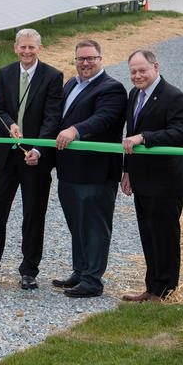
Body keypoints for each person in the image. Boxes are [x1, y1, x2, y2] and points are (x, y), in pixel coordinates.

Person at [0, 28, 63, 290]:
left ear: (39, 49)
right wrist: (9, 124)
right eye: (22, 47)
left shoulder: (53, 76)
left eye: (31, 47)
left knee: (33, 214)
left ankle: (29, 270)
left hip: (36, 157)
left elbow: (52, 117)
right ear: (15, 48)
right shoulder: (5, 72)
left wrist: (38, 148)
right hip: (7, 155)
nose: (26, 51)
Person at [53, 39, 127, 298]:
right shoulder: (71, 84)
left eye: (90, 58)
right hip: (69, 170)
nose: (85, 63)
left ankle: (93, 281)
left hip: (96, 172)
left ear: (101, 59)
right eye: (80, 59)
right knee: (77, 223)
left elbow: (103, 118)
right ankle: (80, 271)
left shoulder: (112, 89)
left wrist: (76, 130)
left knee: (95, 226)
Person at [120, 49, 183, 302]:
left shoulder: (173, 96)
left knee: (165, 237)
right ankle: (151, 288)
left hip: (166, 182)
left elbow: (181, 133)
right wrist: (126, 170)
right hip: (141, 179)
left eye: (142, 70)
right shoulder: (134, 94)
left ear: (156, 67)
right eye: (133, 72)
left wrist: (145, 137)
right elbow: (131, 133)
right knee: (148, 235)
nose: (137, 76)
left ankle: (165, 291)